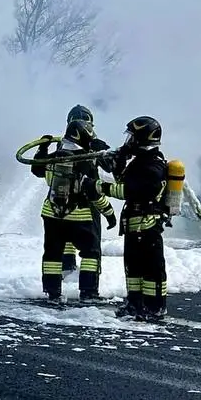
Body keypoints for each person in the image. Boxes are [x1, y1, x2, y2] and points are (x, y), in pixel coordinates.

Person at [31, 104, 117, 303]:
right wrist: (109, 212)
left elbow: (37, 170)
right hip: (83, 213)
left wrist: (42, 148)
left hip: (53, 212)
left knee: (52, 253)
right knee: (91, 253)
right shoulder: (87, 156)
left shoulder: (57, 153)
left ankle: (53, 292)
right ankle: (88, 292)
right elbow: (96, 186)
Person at [97, 116, 170, 321]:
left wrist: (99, 187)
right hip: (135, 227)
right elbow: (124, 179)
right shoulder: (140, 162)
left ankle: (154, 307)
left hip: (147, 227)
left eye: (132, 137)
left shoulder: (153, 166)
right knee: (134, 269)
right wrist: (116, 162)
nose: (128, 141)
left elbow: (130, 190)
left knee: (152, 270)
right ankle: (135, 304)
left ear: (141, 138)